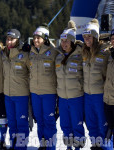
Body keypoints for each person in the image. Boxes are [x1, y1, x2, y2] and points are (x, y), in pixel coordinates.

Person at [0, 29, 30, 150]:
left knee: (21, 124)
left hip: (21, 95)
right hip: (8, 95)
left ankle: (21, 147)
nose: (9, 41)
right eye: (7, 39)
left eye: (12, 39)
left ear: (18, 40)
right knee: (12, 123)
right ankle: (13, 145)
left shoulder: (25, 54)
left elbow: (33, 72)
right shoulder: (5, 53)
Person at [82, 19, 112, 150]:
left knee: (102, 123)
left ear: (95, 36)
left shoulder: (105, 51)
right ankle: (95, 145)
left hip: (100, 94)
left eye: (89, 36)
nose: (87, 39)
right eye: (85, 36)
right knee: (90, 122)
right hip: (87, 94)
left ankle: (104, 147)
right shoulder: (83, 51)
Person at [55, 20, 85, 150]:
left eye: (66, 41)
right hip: (62, 97)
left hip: (76, 97)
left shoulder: (80, 55)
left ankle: (77, 147)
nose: (64, 43)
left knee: (77, 124)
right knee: (65, 125)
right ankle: (68, 147)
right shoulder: (58, 56)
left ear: (72, 41)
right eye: (62, 41)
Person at [29, 24, 58, 150]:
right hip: (35, 93)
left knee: (49, 121)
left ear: (45, 38)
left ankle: (51, 146)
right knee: (39, 121)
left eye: (38, 38)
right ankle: (43, 144)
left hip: (49, 93)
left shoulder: (54, 52)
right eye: (34, 37)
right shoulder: (30, 52)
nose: (35, 40)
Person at [104, 29, 114, 148]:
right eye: (112, 38)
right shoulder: (109, 55)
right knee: (110, 127)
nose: (113, 41)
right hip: (108, 99)